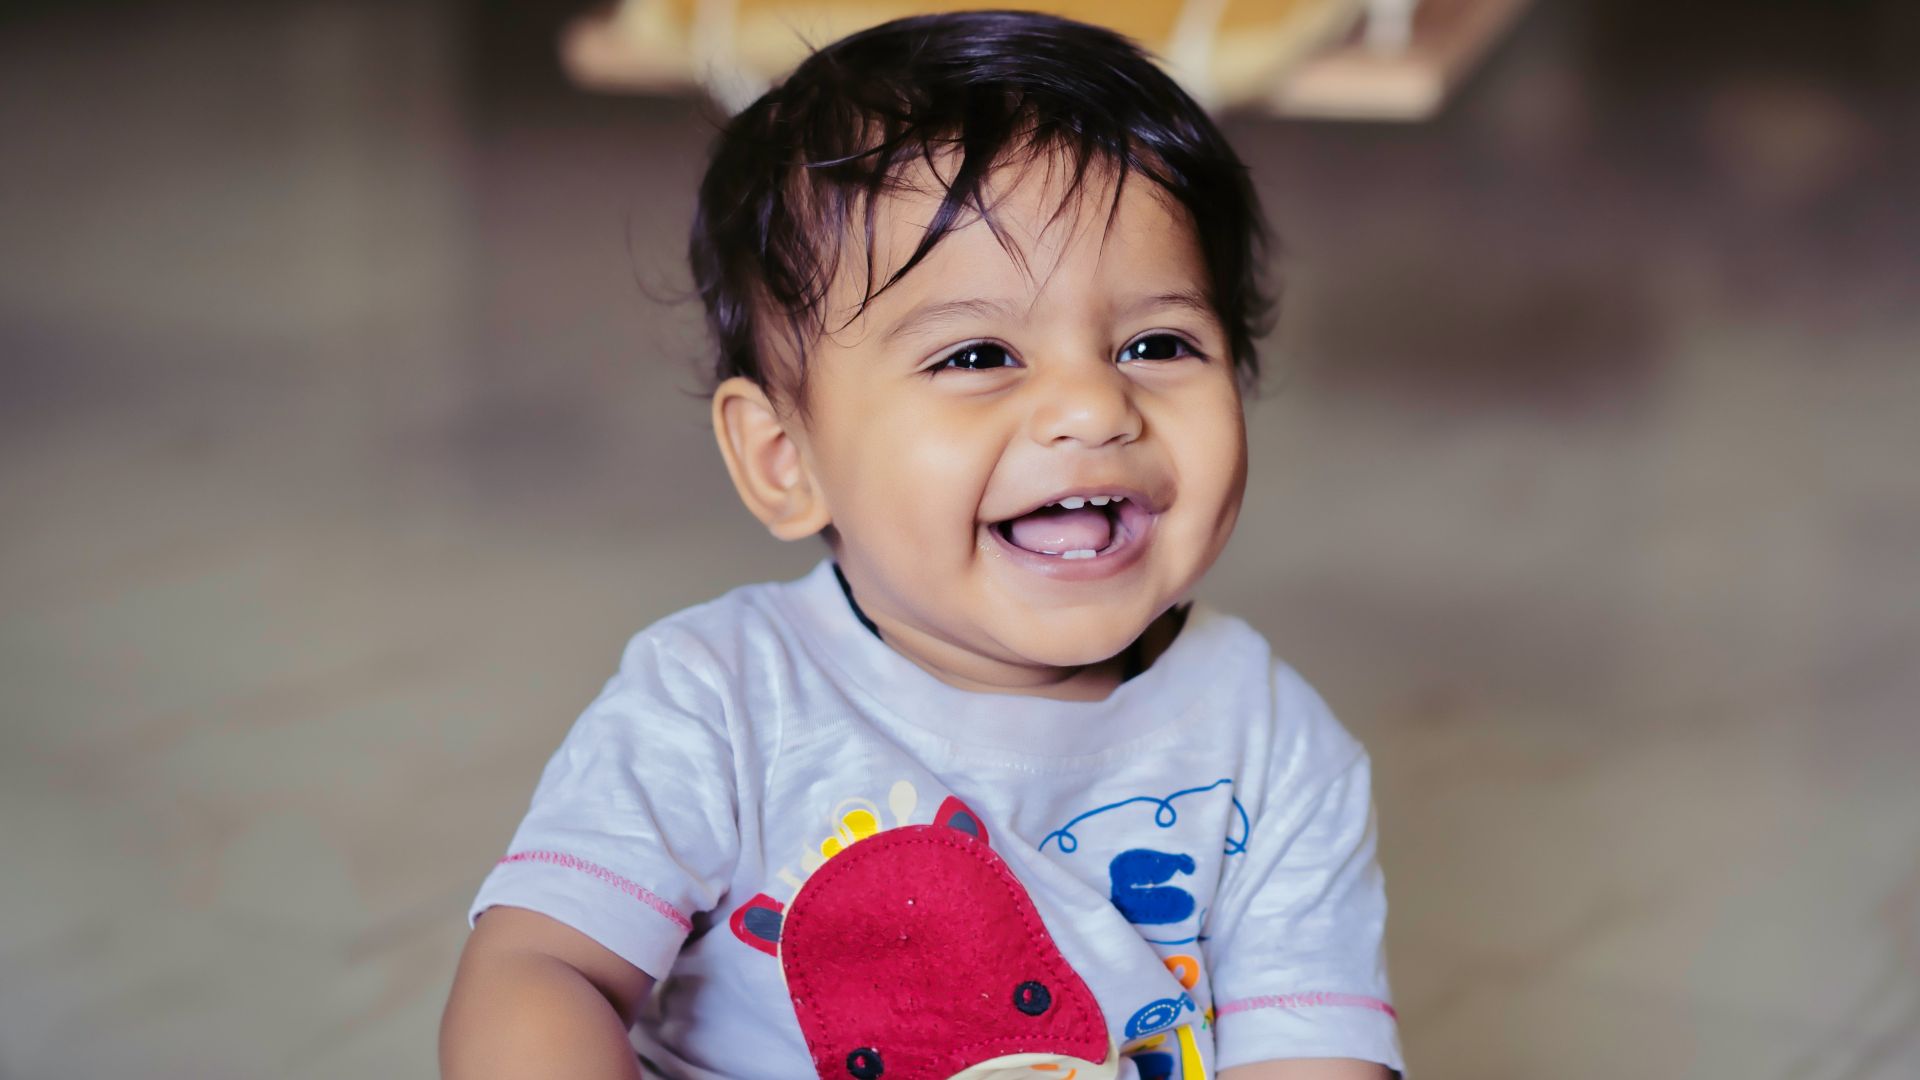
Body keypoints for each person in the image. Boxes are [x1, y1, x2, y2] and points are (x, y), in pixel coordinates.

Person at [440, 11, 1402, 1080]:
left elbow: (1312, 1051)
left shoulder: (1273, 745)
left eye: (1156, 343)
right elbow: (539, 969)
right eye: (979, 353)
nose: (1093, 406)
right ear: (783, 458)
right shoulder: (715, 700)